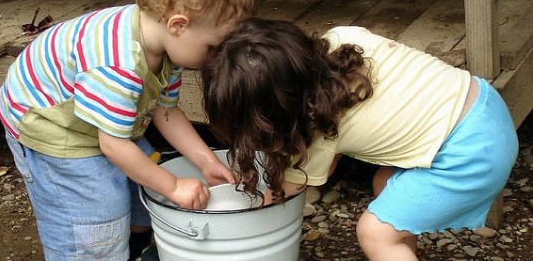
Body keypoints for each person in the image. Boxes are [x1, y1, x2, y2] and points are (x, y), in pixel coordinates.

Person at [0, 0, 257, 260]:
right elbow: (113, 145)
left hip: (105, 123)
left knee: (139, 185)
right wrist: (173, 186)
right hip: (52, 125)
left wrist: (206, 161)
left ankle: (131, 248)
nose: (216, 59)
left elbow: (166, 111)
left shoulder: (166, 45)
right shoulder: (117, 65)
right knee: (95, 213)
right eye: (213, 47)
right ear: (178, 24)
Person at [201, 18, 518, 261]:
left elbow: (282, 192)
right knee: (386, 186)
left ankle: (390, 248)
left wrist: (237, 215)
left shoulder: (319, 133)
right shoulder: (341, 38)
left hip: (470, 154)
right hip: (484, 104)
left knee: (375, 233)